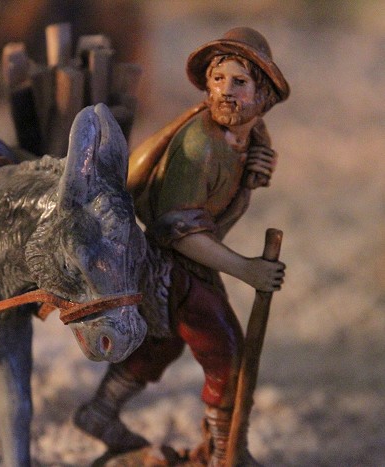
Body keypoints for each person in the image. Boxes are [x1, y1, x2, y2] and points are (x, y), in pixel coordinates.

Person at [74, 27, 290, 466]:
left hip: (186, 264)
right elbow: (180, 230)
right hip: (173, 266)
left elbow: (217, 207)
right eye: (218, 80)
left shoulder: (248, 136)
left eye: (239, 82)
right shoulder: (200, 144)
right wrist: (245, 268)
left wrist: (251, 176)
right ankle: (224, 452)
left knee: (162, 341)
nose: (225, 91)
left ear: (263, 95)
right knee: (226, 351)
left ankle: (100, 412)